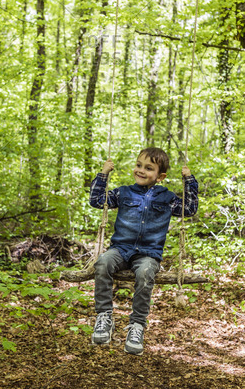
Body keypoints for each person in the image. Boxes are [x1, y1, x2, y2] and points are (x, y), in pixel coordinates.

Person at [89, 147, 199, 355]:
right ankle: (104, 317)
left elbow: (189, 208)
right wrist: (103, 174)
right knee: (103, 262)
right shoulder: (123, 193)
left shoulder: (167, 198)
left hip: (148, 254)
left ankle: (137, 325)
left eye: (148, 168)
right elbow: (97, 201)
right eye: (139, 165)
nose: (141, 170)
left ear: (161, 176)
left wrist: (189, 181)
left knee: (145, 272)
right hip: (121, 249)